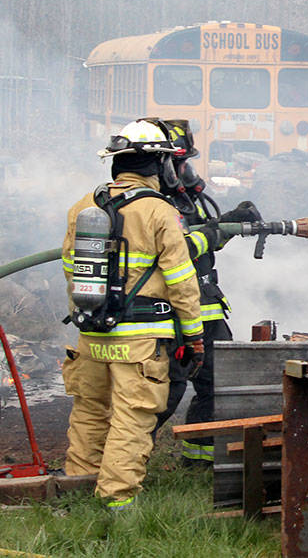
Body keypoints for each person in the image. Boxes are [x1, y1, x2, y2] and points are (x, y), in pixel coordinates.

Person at [61, 119, 203, 510]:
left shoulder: (82, 207)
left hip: (91, 334)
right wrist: (193, 337)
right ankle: (116, 506)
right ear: (160, 166)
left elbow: (71, 270)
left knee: (89, 414)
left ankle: (77, 492)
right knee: (131, 419)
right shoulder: (160, 212)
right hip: (139, 342)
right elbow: (182, 282)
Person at [152, 119, 260, 463]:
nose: (187, 171)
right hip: (170, 314)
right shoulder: (150, 205)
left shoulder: (182, 200)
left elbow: (202, 242)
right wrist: (215, 231)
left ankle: (200, 459)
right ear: (162, 164)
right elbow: (179, 248)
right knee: (165, 393)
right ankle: (121, 460)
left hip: (206, 307)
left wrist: (228, 222)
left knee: (220, 386)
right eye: (181, 162)